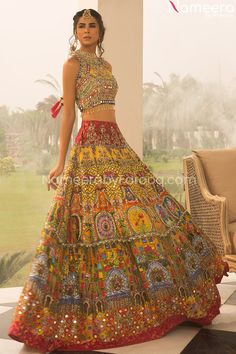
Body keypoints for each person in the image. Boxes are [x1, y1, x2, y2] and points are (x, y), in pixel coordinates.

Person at [8, 8, 229, 353]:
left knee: (149, 211)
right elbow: (69, 114)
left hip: (115, 141)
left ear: (100, 30)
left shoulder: (106, 66)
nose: (86, 30)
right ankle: (90, 306)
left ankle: (166, 298)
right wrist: (60, 160)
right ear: (75, 31)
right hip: (91, 145)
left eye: (91, 25)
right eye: (81, 26)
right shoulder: (72, 65)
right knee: (95, 221)